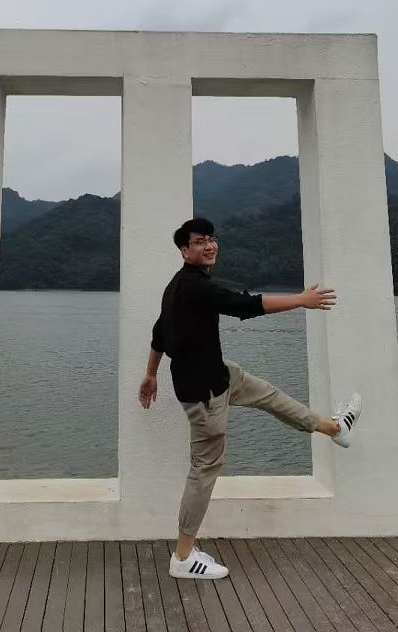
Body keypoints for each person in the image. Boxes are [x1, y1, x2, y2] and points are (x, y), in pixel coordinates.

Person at [138, 217, 362, 581]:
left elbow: (159, 332)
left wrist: (150, 374)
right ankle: (182, 557)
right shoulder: (194, 287)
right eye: (200, 241)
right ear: (185, 250)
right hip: (204, 394)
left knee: (270, 396)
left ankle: (335, 429)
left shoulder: (177, 285)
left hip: (220, 375)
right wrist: (301, 300)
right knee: (204, 470)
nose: (209, 245)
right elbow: (244, 305)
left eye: (211, 239)